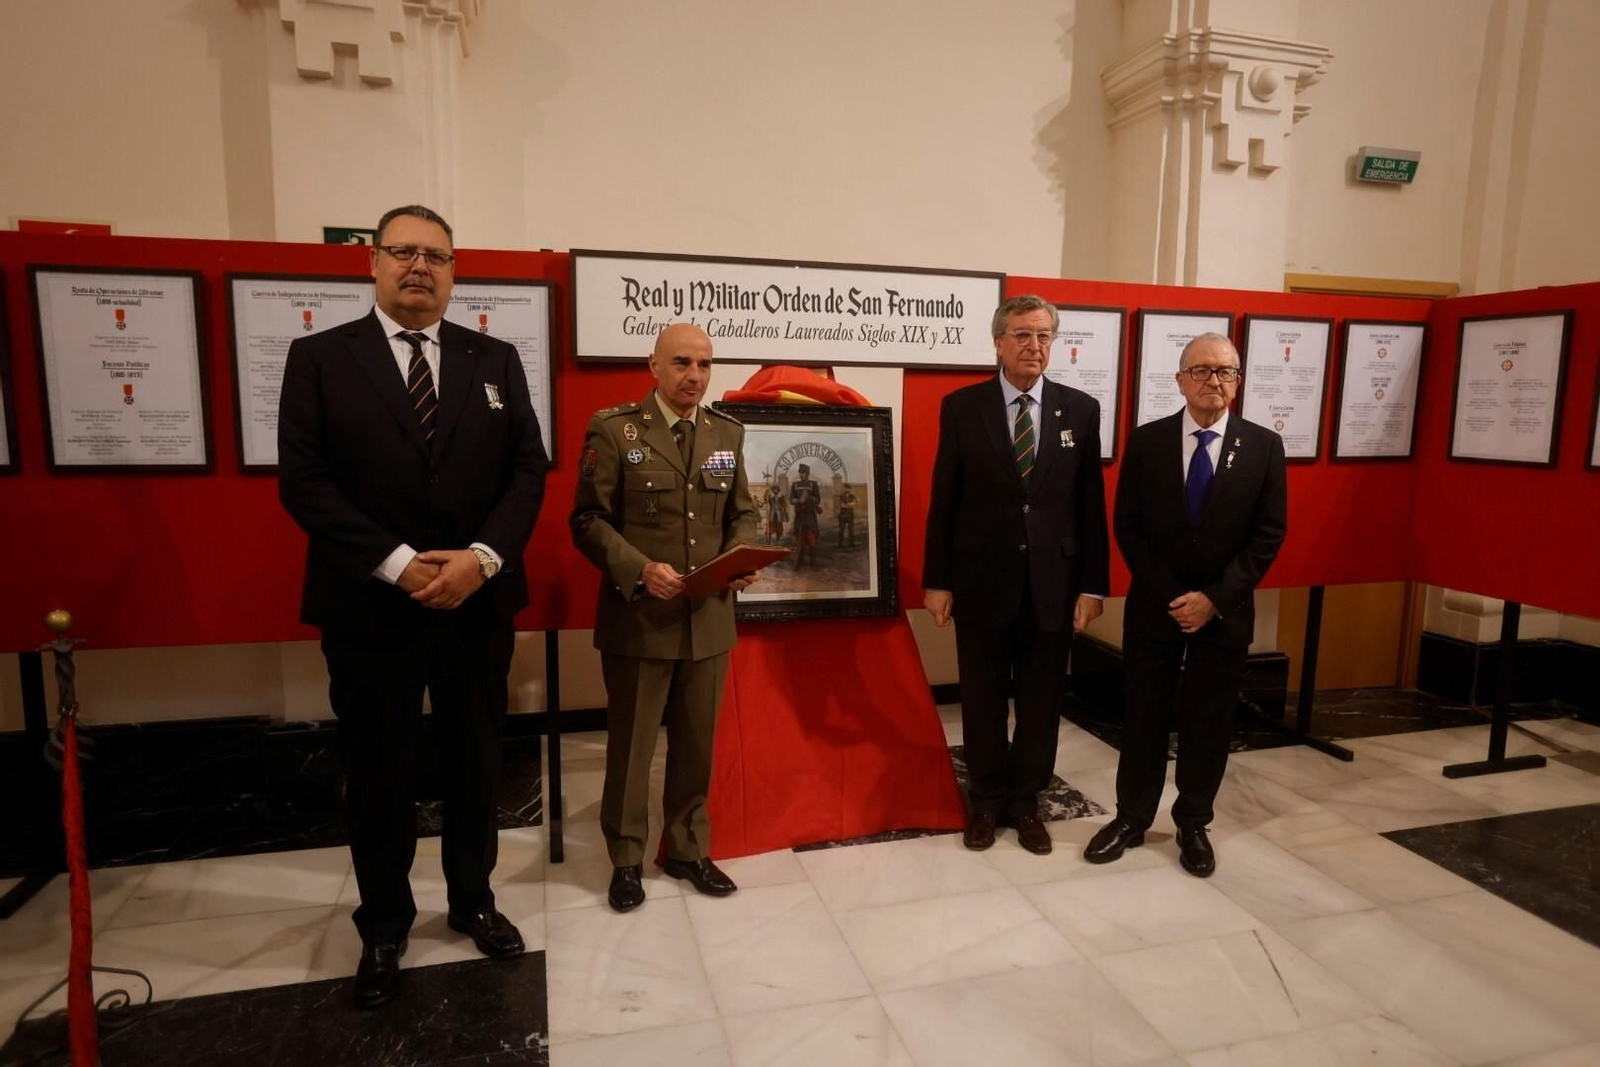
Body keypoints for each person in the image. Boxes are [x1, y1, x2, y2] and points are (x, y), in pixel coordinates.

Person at [278, 204, 548, 1008]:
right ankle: (386, 922)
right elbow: (304, 482)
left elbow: (527, 472)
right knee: (379, 772)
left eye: (435, 254)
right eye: (403, 252)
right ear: (374, 264)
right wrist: (398, 565)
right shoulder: (320, 358)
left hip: (475, 604)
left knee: (475, 761)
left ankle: (473, 900)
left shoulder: (494, 359)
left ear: (454, 270)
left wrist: (482, 559)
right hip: (371, 609)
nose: (419, 266)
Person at [570, 322, 761, 913]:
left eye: (704, 365)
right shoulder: (614, 429)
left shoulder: (726, 432)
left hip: (707, 618)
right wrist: (638, 567)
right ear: (653, 365)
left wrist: (740, 559)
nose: (694, 377)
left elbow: (743, 514)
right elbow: (588, 521)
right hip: (640, 619)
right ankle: (626, 857)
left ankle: (686, 848)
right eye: (681, 363)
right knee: (631, 748)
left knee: (696, 744)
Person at [1084, 332, 1286, 877]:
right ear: (1179, 380)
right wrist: (1175, 594)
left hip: (1224, 614)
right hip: (1157, 607)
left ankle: (1194, 822)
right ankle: (1131, 817)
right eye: (1200, 371)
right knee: (1144, 715)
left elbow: (1268, 535)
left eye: (1224, 372)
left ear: (1238, 382)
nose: (1212, 381)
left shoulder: (1265, 446)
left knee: (1209, 721)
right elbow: (1128, 526)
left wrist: (1214, 599)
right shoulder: (1147, 442)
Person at [923, 294, 1110, 856]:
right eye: (1023, 335)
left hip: (1053, 585)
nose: (1035, 346)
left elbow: (1089, 505)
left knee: (1040, 701)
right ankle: (985, 801)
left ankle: (1025, 801)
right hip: (981, 582)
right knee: (980, 699)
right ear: (999, 341)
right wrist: (938, 579)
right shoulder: (963, 407)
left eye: (1044, 336)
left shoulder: (1080, 409)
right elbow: (944, 500)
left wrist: (1093, 585)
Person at [789, 463, 822, 568]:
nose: (801, 474)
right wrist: (799, 500)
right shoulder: (795, 485)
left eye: (803, 472)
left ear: (807, 473)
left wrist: (809, 498)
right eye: (800, 472)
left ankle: (813, 563)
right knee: (799, 540)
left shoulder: (813, 484)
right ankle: (798, 563)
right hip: (800, 515)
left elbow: (817, 499)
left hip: (810, 515)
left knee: (812, 538)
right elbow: (791, 499)